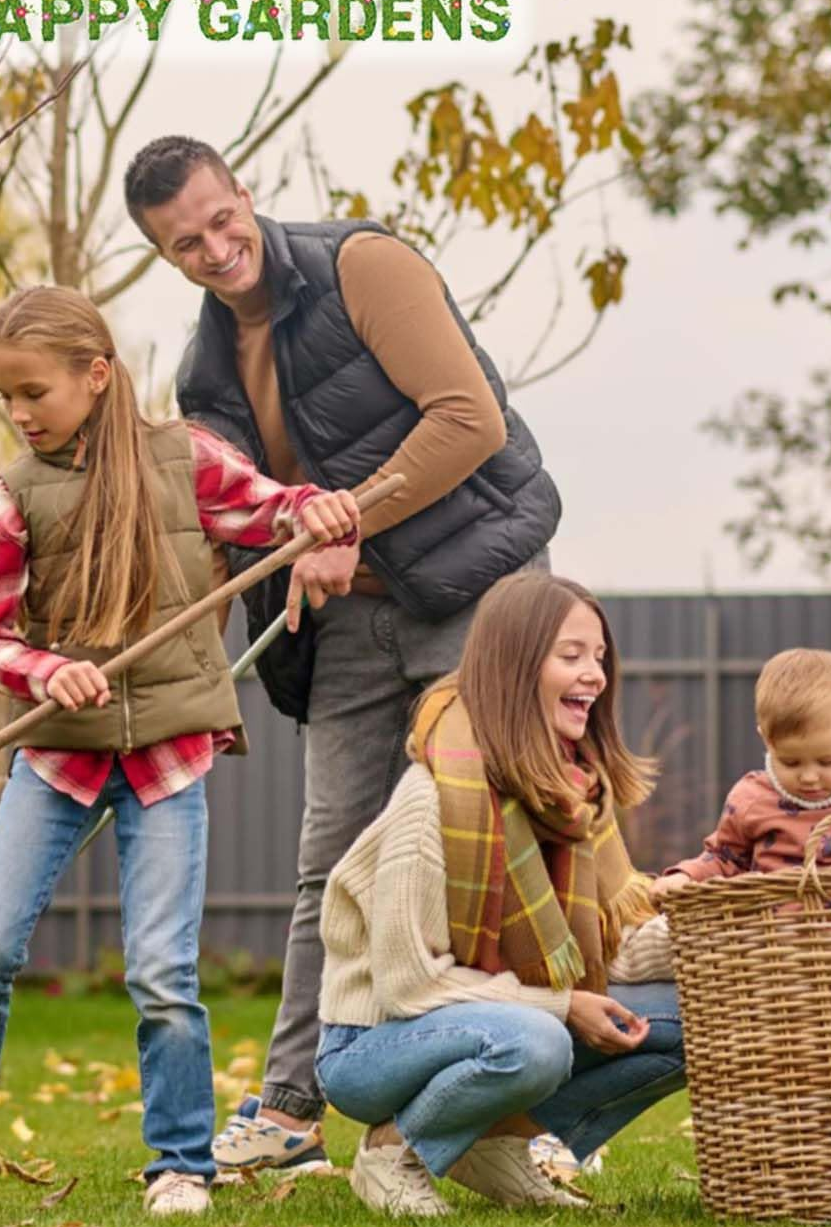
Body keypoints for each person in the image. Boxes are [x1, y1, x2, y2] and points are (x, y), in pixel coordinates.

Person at [122, 137, 560, 1174]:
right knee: (332, 860)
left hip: (472, 586)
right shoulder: (205, 370)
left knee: (494, 838)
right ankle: (291, 1107)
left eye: (221, 221)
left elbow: (470, 421)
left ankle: (529, 1119)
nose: (216, 250)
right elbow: (236, 525)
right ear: (163, 253)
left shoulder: (365, 265)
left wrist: (346, 516)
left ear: (244, 193)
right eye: (186, 244)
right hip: (349, 618)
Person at [0, 286, 359, 1216]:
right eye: (6, 398)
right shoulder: (14, 496)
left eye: (34, 394)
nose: (20, 415)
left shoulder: (184, 460)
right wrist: (42, 670)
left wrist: (318, 511)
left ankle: (180, 1162)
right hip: (58, 756)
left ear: (96, 377)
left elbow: (275, 511)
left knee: (160, 970)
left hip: (166, 757)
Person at [314, 571, 684, 1216]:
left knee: (693, 1016)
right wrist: (564, 1005)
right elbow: (409, 987)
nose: (594, 675)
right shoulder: (431, 800)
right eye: (570, 656)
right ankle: (393, 1151)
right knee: (536, 1043)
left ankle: (491, 1144)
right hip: (373, 1045)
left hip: (497, 1016)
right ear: (514, 667)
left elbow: (609, 954)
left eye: (599, 657)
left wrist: (700, 928)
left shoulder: (573, 800)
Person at [650, 647, 831, 897]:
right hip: (775, 939)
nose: (809, 777)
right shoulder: (751, 798)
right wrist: (684, 877)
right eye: (790, 762)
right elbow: (722, 859)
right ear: (767, 741)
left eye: (827, 761)